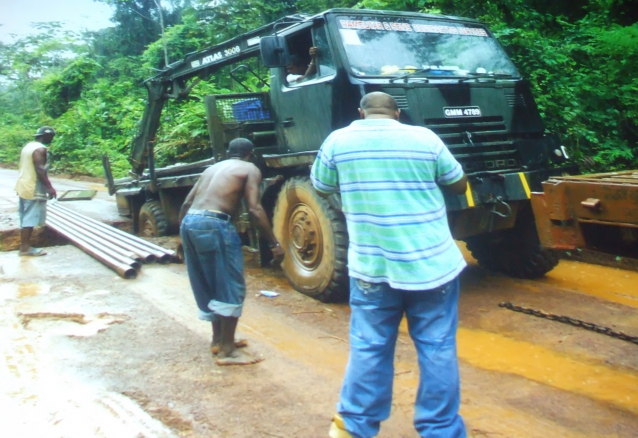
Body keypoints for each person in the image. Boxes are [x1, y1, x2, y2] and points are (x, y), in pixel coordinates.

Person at [310, 92, 469, 438]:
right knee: (437, 346)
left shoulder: (337, 141)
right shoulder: (424, 138)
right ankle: (440, 430)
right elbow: (458, 183)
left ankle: (353, 427)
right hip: (432, 266)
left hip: (372, 267)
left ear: (361, 112)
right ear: (397, 113)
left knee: (370, 346)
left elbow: (321, 187)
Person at [179, 138, 285, 366]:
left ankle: (218, 340)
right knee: (229, 283)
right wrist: (274, 243)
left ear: (229, 152)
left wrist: (182, 239)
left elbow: (187, 203)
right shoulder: (249, 169)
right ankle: (228, 351)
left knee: (208, 282)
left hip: (190, 222)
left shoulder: (211, 169)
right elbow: (255, 209)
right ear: (251, 153)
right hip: (215, 223)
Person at [14, 126, 57, 257]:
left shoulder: (28, 146)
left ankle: (24, 246)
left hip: (23, 185)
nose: (51, 140)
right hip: (33, 186)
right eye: (51, 137)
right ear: (47, 136)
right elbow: (40, 169)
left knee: (25, 216)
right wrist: (49, 187)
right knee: (30, 217)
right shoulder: (39, 149)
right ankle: (25, 248)